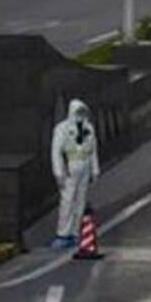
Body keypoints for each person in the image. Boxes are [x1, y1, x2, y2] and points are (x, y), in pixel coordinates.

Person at [49, 99, 101, 250]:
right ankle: (63, 233)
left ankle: (75, 232)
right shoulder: (62, 129)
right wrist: (58, 171)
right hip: (70, 166)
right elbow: (56, 152)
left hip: (84, 165)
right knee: (67, 200)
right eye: (78, 112)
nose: (80, 116)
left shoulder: (88, 128)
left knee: (80, 201)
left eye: (82, 112)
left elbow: (93, 150)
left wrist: (95, 169)